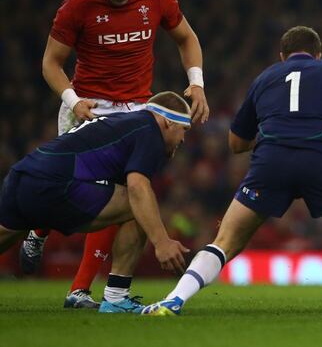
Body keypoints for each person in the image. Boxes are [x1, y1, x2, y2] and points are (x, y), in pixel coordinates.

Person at [141, 26, 322, 317]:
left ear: (282, 56)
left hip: (271, 162)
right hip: (320, 160)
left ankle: (174, 300)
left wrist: (276, 135)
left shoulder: (265, 78)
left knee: (224, 242)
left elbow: (236, 143)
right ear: (318, 54)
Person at [19, 0, 210, 309]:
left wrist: (197, 82)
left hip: (137, 111)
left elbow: (186, 37)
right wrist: (74, 101)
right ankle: (38, 230)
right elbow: (50, 63)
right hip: (89, 107)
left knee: (123, 197)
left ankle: (82, 291)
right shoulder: (78, 4)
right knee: (64, 191)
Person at [0, 92, 193, 313]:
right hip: (55, 185)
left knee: (7, 233)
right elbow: (138, 188)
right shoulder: (149, 130)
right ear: (168, 122)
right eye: (184, 129)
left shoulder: (124, 123)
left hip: (23, 175)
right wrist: (161, 242)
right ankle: (117, 297)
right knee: (138, 204)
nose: (184, 139)